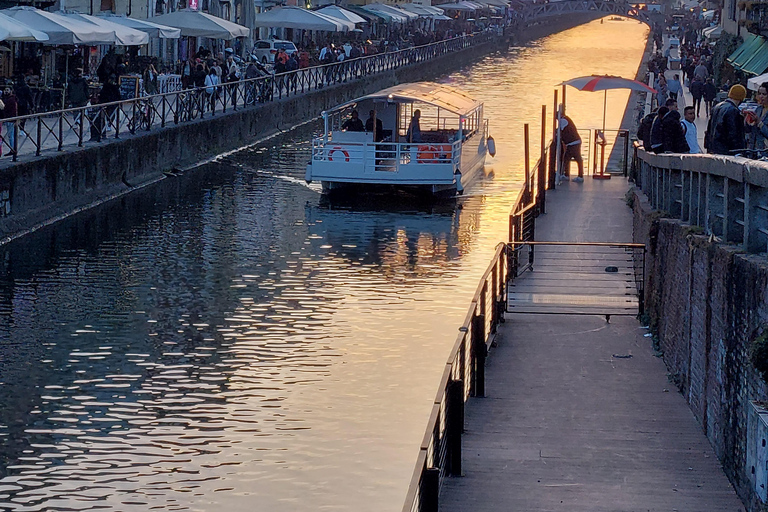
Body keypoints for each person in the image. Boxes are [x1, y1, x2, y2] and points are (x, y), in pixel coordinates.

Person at [706, 84, 747, 155]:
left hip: (714, 148)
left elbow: (709, 128)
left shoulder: (717, 106)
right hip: (726, 151)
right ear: (741, 98)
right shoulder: (733, 111)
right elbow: (734, 134)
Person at [558, 109, 584, 182]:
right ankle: (577, 175)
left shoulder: (563, 120)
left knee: (568, 158)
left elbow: (561, 131)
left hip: (572, 143)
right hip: (574, 142)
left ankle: (569, 175)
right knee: (573, 158)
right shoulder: (567, 119)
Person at [746, 82, 768, 150]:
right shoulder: (758, 109)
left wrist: (759, 123)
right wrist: (747, 120)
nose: (761, 96)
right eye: (759, 93)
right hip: (753, 149)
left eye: (764, 94)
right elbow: (748, 130)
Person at [1, 87, 17, 155]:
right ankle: (13, 149)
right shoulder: (11, 99)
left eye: (7, 90)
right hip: (11, 118)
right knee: (11, 134)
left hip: (10, 118)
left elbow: (5, 108)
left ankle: (12, 149)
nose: (6, 91)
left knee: (11, 135)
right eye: (5, 90)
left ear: (11, 91)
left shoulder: (10, 100)